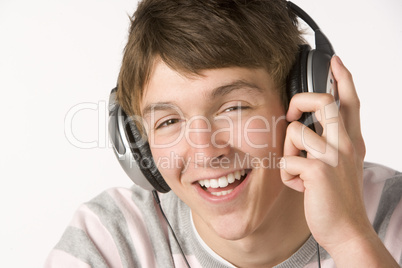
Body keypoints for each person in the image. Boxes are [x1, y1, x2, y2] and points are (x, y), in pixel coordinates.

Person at [46, 0, 401, 267]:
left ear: (303, 105)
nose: (205, 151)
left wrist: (351, 239)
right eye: (168, 122)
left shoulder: (392, 216)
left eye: (233, 108)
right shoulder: (110, 241)